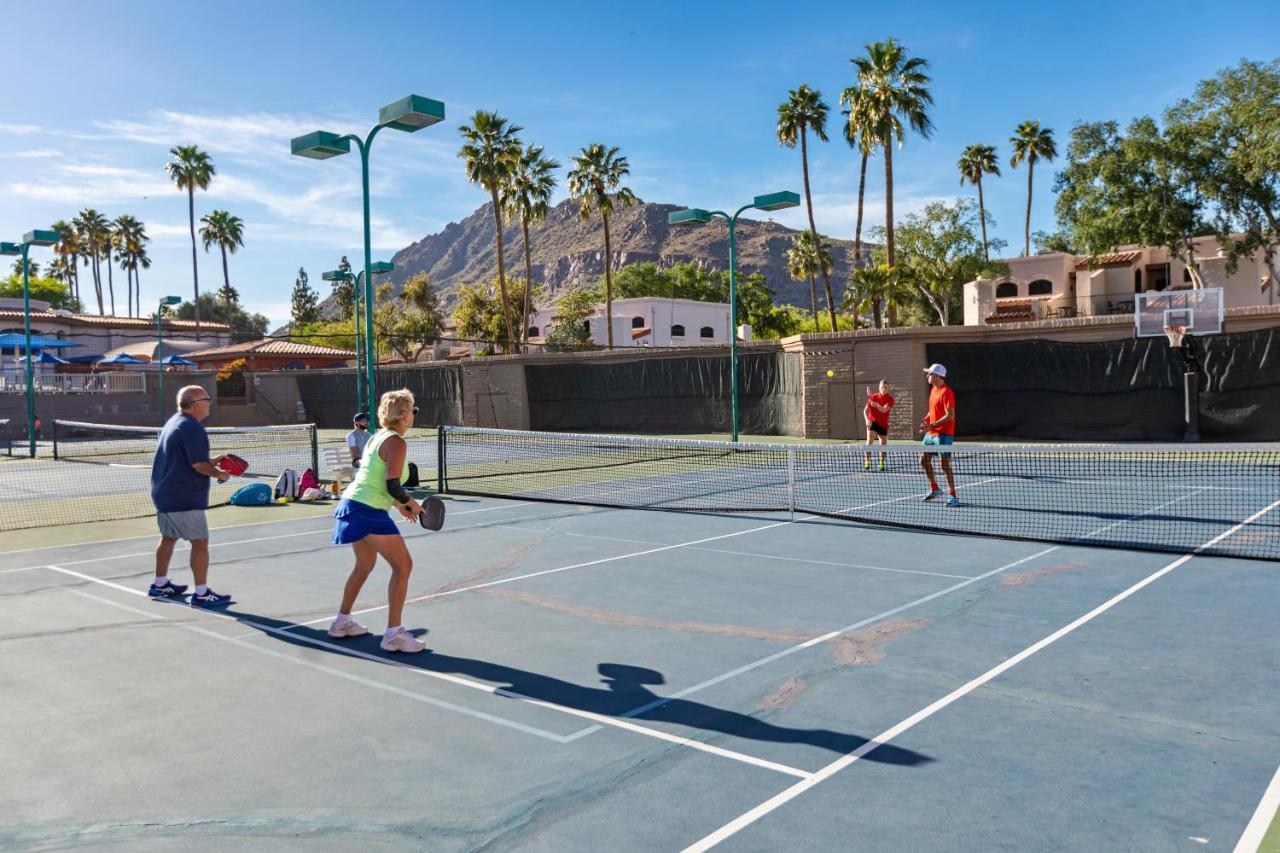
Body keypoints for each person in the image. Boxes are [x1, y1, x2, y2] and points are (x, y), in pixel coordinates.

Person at [329, 389, 425, 653]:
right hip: (367, 509)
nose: (414, 416)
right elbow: (391, 483)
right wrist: (409, 502)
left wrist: (398, 503)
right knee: (403, 566)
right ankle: (394, 634)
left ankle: (342, 622)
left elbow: (374, 478)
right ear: (404, 416)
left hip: (353, 503)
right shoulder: (396, 442)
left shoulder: (376, 438)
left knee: (364, 565)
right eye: (413, 411)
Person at [148, 385, 233, 606]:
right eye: (207, 399)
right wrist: (219, 474)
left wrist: (211, 461)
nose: (209, 403)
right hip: (183, 497)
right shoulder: (193, 428)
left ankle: (160, 584)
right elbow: (197, 465)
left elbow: (186, 458)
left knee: (168, 538)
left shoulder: (174, 422)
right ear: (195, 404)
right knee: (200, 542)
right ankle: (202, 593)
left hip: (164, 495)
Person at [919, 363, 958, 507]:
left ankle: (953, 495)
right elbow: (932, 411)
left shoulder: (947, 392)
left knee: (944, 464)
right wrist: (926, 421)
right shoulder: (932, 390)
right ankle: (935, 488)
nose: (927, 376)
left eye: (929, 374)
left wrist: (933, 425)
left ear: (937, 376)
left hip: (944, 434)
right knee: (923, 460)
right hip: (931, 433)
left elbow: (950, 415)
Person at [863, 380, 895, 471]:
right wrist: (867, 420)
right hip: (873, 422)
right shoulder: (873, 397)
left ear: (888, 389)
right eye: (882, 387)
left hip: (883, 424)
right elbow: (865, 411)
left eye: (885, 387)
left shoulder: (890, 399)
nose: (883, 389)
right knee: (869, 442)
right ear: (879, 388)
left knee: (883, 445)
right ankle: (867, 462)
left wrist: (876, 405)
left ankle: (881, 463)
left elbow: (884, 410)